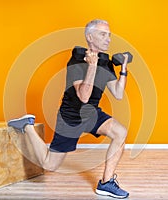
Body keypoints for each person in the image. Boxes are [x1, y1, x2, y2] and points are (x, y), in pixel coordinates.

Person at [8, 19, 130, 199]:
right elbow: (83, 96)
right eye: (103, 35)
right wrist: (92, 66)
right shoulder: (76, 61)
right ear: (90, 37)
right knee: (50, 164)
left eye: (109, 35)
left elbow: (118, 93)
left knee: (120, 132)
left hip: (91, 113)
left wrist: (124, 68)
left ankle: (106, 183)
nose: (108, 39)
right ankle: (26, 126)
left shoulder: (105, 62)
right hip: (70, 117)